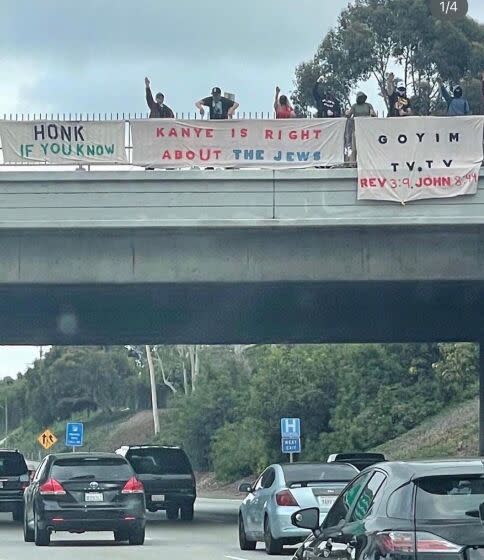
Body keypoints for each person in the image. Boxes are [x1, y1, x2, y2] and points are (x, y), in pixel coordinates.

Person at [346, 92, 376, 163]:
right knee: (354, 148)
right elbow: (349, 115)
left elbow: (374, 115)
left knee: (367, 147)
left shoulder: (368, 105)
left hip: (367, 130)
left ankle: (368, 162)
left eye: (362, 97)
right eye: (360, 97)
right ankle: (353, 163)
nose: (361, 99)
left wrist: (372, 114)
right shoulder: (354, 106)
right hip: (356, 129)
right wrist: (347, 113)